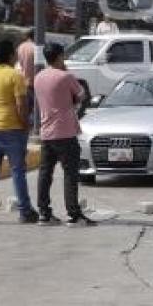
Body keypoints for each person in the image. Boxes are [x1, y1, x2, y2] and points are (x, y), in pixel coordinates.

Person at [33, 43, 95, 227]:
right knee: (70, 174)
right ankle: (74, 214)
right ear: (59, 56)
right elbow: (82, 95)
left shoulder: (38, 77)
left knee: (45, 173)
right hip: (65, 132)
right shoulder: (65, 76)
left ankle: (44, 213)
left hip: (46, 133)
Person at [0, 39, 39, 224]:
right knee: (18, 171)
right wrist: (25, 125)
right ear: (10, 56)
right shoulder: (15, 76)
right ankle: (25, 210)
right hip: (12, 128)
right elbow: (21, 105)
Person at [16, 29, 36, 129]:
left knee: (26, 107)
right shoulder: (36, 47)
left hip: (22, 80)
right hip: (34, 81)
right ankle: (32, 128)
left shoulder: (21, 47)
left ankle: (24, 127)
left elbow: (19, 63)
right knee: (35, 107)